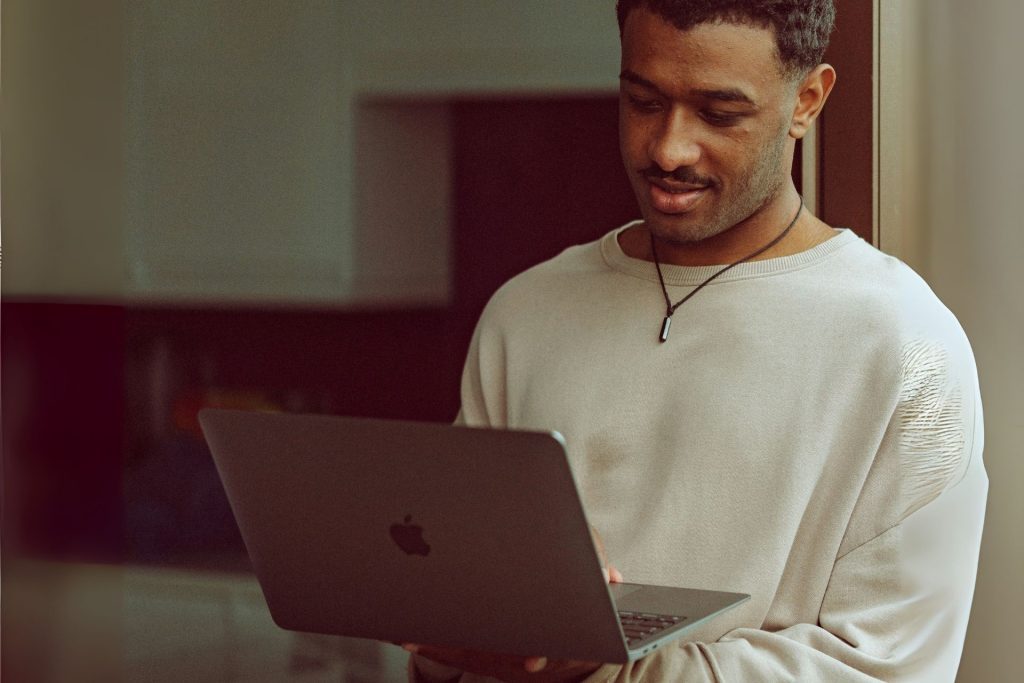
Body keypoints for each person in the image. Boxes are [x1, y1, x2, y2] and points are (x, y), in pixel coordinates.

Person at [407, 1, 988, 681]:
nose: (667, 149)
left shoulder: (906, 347)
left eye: (718, 113)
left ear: (807, 100)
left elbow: (889, 671)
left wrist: (595, 667)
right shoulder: (525, 313)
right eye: (643, 101)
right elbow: (450, 628)